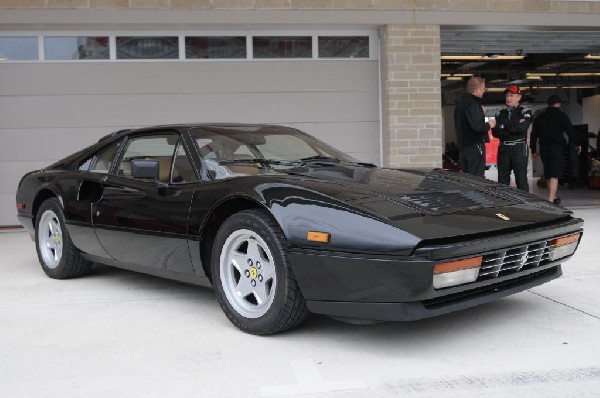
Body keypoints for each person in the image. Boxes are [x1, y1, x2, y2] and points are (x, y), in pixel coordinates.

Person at [530, 95, 581, 204]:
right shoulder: (561, 116)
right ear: (558, 104)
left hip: (544, 149)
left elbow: (533, 135)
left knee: (548, 174)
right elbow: (570, 131)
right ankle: (550, 200)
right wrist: (578, 143)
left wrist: (533, 151)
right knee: (554, 175)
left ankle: (554, 197)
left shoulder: (540, 117)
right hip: (556, 149)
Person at [492, 85, 533, 192]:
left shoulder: (525, 112)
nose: (508, 98)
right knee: (502, 181)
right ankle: (504, 206)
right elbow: (495, 132)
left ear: (519, 97)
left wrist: (504, 126)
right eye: (507, 96)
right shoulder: (500, 113)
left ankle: (525, 206)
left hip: (519, 148)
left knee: (521, 179)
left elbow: (522, 128)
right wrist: (513, 126)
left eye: (511, 96)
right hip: (504, 149)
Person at [454, 76, 496, 177]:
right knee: (476, 178)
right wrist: (490, 124)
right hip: (474, 146)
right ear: (476, 90)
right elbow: (478, 126)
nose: (483, 91)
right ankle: (475, 194)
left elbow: (467, 121)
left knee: (467, 178)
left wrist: (480, 113)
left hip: (463, 147)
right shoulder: (473, 103)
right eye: (483, 89)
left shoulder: (460, 105)